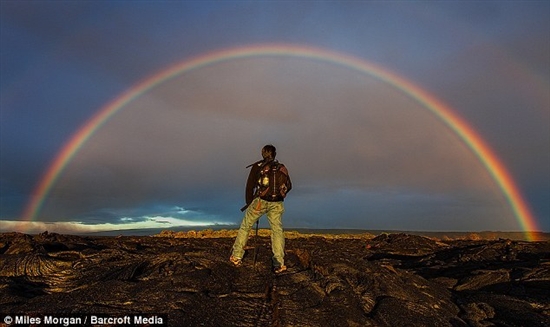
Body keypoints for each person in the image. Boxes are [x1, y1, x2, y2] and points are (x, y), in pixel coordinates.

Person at [230, 144, 292, 273]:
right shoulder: (281, 167)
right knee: (277, 231)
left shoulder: (257, 167)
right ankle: (279, 263)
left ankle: (236, 256)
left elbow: (249, 187)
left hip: (260, 202)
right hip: (277, 203)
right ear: (274, 154)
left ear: (262, 154)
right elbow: (289, 186)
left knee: (246, 226)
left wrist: (249, 203)